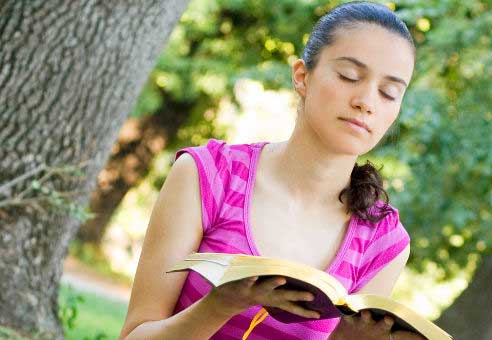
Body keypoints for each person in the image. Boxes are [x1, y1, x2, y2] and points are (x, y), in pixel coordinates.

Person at [120, 1, 422, 339]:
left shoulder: (383, 241)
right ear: (302, 76)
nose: (367, 101)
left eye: (389, 92)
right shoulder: (209, 175)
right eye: (349, 76)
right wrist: (220, 306)